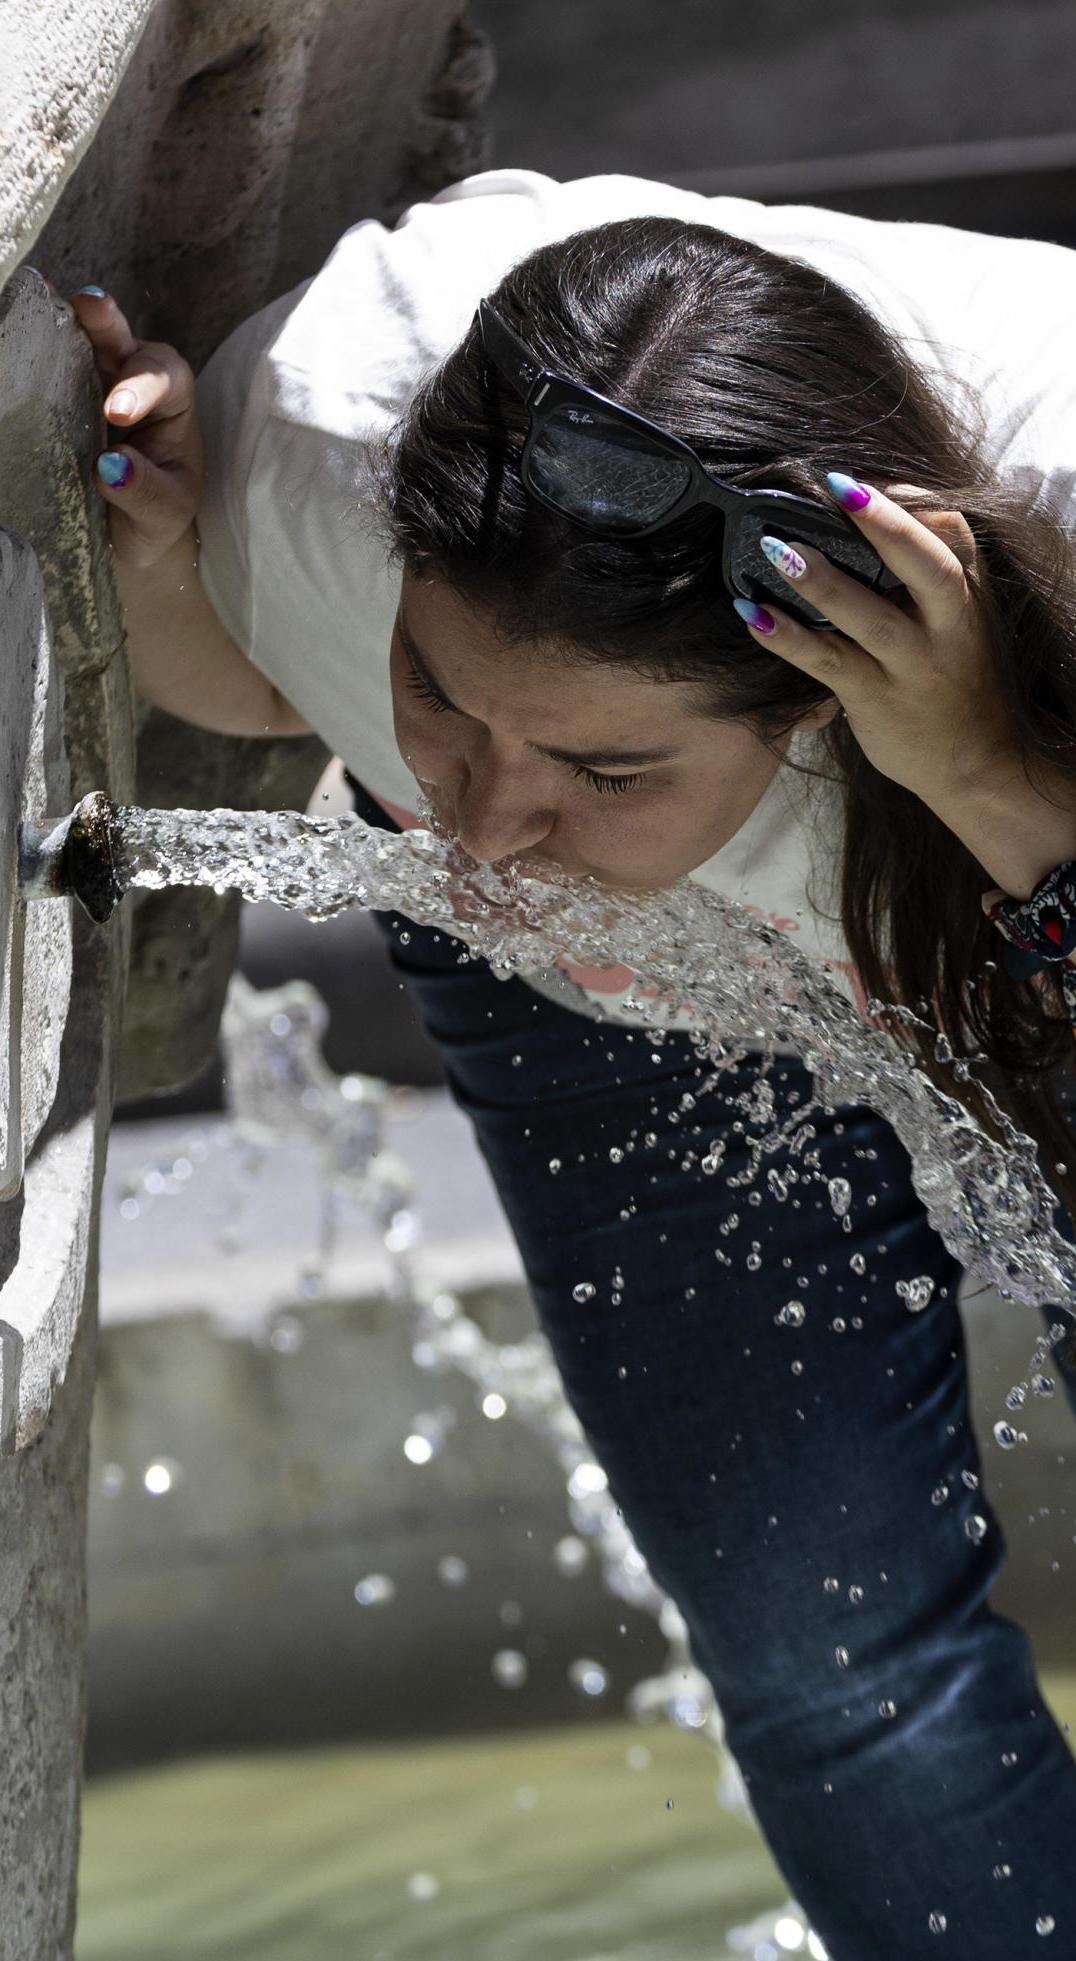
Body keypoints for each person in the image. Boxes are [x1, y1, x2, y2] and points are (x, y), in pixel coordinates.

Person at [70, 166, 1076, 1957]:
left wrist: (996, 778)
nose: (491, 831)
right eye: (443, 703)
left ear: (823, 692)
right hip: (615, 998)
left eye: (608, 772)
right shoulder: (313, 440)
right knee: (829, 1661)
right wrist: (168, 571)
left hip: (1029, 913)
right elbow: (277, 672)